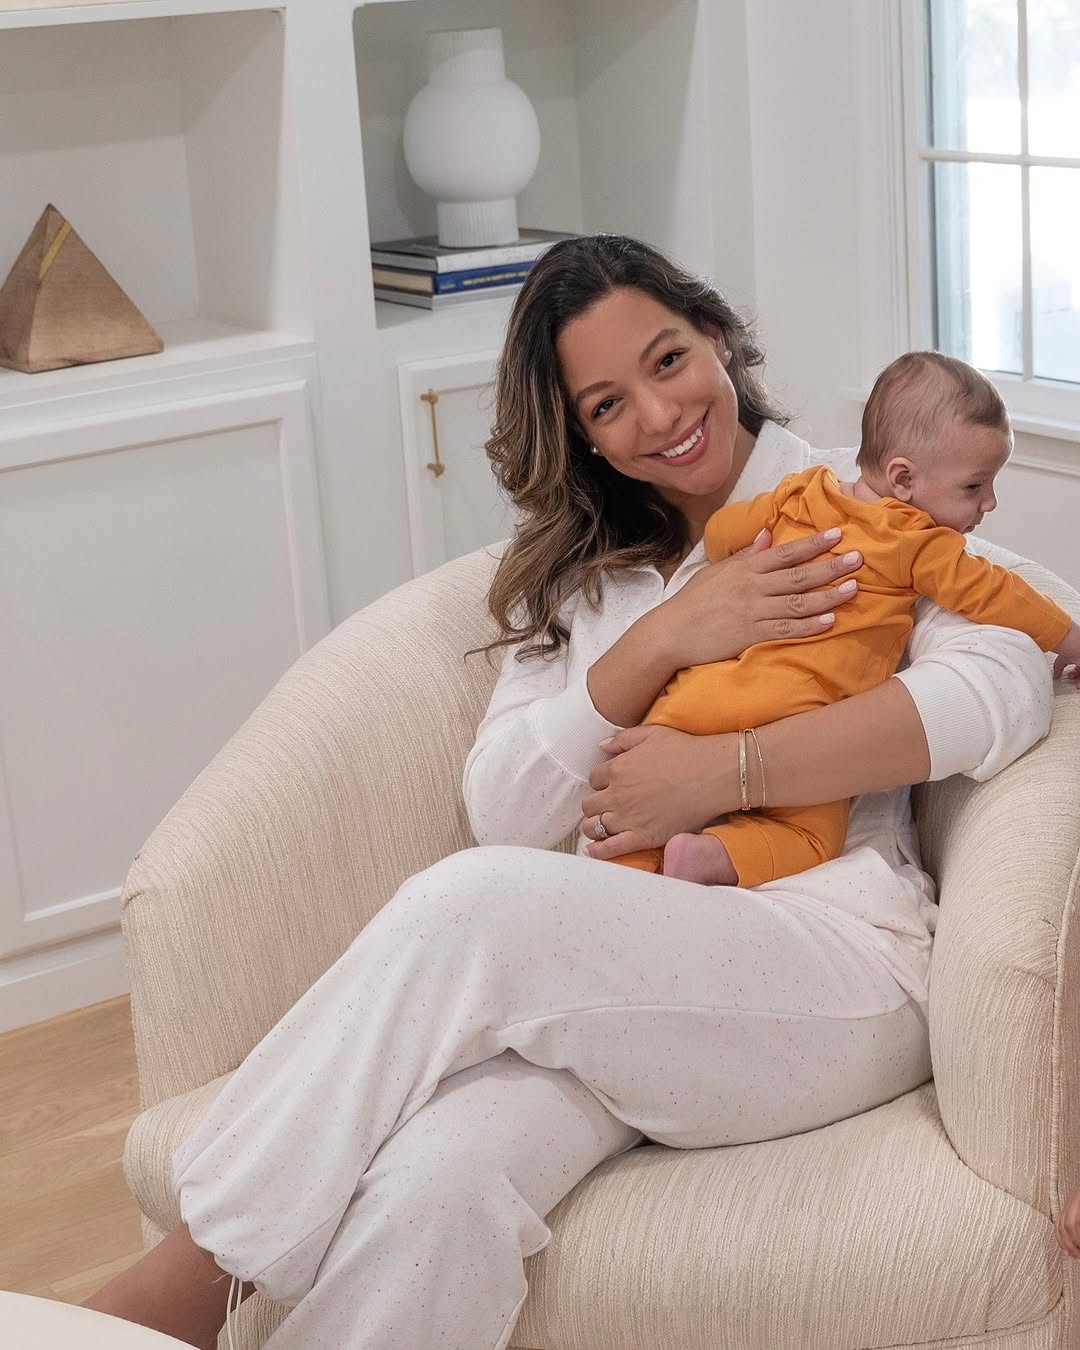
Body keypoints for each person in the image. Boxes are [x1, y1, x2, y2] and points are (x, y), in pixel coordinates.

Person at [85, 235, 1057, 1350]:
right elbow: (507, 806)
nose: (659, 413)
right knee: (434, 1189)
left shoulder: (865, 497)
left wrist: (729, 772)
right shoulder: (588, 580)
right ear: (583, 433)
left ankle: (186, 1282)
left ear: (717, 338)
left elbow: (1001, 688)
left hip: (833, 969)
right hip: (626, 990)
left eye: (668, 359)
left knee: (471, 902)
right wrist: (667, 636)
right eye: (607, 403)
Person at [611, 350, 1080, 886]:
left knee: (631, 821)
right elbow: (998, 594)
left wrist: (747, 550)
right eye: (975, 486)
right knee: (810, 835)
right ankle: (708, 858)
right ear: (903, 479)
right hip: (796, 719)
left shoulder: (802, 491)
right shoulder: (916, 543)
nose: (989, 503)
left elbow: (720, 535)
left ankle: (627, 871)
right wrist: (1071, 640)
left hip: (703, 694)